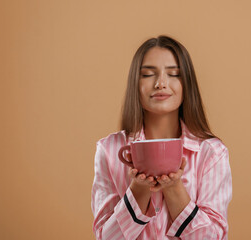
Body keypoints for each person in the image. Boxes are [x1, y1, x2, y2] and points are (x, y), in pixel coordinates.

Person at [91, 35, 232, 240]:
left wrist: (174, 189)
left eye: (174, 74)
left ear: (187, 84)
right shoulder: (109, 150)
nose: (161, 83)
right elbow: (105, 237)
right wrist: (139, 189)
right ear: (135, 84)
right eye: (148, 74)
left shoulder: (212, 153)